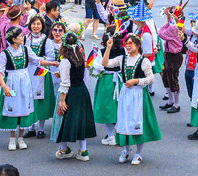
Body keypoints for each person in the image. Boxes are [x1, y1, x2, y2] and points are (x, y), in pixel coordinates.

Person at [102, 32, 161, 165]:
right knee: (124, 121)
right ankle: (126, 149)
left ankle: (138, 153)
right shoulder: (122, 59)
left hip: (139, 95)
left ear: (138, 45)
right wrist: (108, 48)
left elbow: (151, 78)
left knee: (137, 123)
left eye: (130, 44)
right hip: (125, 94)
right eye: (126, 44)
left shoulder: (144, 61)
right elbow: (105, 63)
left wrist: (136, 81)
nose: (128, 46)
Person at [0, 26, 56, 150]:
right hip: (12, 81)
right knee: (12, 108)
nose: (22, 37)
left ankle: (21, 138)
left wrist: (51, 63)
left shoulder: (26, 49)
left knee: (24, 107)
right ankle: (12, 138)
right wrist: (5, 87)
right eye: (20, 36)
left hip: (24, 81)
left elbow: (37, 60)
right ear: (13, 39)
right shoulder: (5, 53)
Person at [52, 31, 97, 162]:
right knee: (81, 119)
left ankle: (64, 149)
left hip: (71, 93)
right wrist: (62, 74)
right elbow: (77, 74)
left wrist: (62, 100)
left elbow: (65, 83)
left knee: (64, 119)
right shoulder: (80, 57)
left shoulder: (65, 61)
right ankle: (83, 151)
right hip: (82, 91)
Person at [22, 15, 55, 139]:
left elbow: (51, 57)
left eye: (38, 24)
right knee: (29, 99)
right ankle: (31, 127)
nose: (36, 26)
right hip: (27, 72)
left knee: (41, 100)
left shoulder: (46, 40)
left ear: (42, 26)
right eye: (34, 24)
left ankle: (40, 128)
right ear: (30, 25)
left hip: (41, 73)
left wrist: (37, 60)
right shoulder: (25, 39)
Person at [93, 25, 123, 145]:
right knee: (118, 108)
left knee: (107, 109)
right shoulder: (125, 51)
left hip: (107, 80)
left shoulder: (101, 52)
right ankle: (119, 133)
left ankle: (111, 135)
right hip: (121, 80)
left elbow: (98, 67)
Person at [158, 7, 185, 113]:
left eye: (168, 14)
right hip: (168, 54)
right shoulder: (174, 25)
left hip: (174, 55)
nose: (166, 15)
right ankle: (171, 100)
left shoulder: (174, 27)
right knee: (165, 76)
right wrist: (168, 21)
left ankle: (177, 104)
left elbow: (161, 33)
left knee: (173, 78)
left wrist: (167, 22)